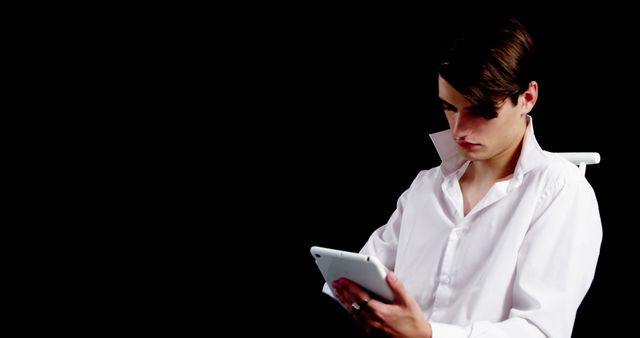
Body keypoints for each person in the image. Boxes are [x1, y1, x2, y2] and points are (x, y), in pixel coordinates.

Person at [325, 16, 602, 338]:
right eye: (450, 107)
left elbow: (541, 330)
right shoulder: (426, 187)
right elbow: (364, 271)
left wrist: (427, 334)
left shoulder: (561, 189)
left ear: (527, 97)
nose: (459, 129)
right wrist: (358, 297)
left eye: (481, 111)